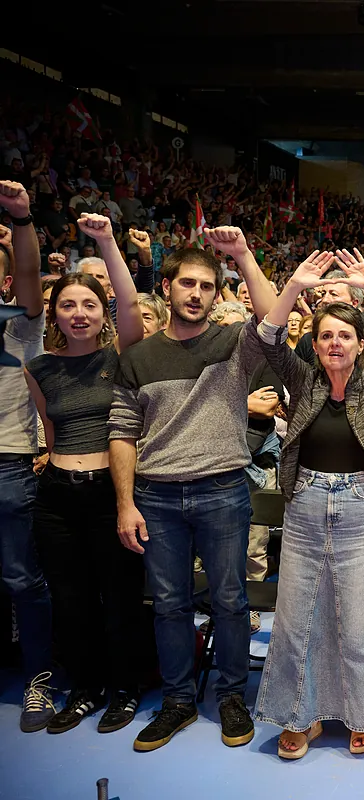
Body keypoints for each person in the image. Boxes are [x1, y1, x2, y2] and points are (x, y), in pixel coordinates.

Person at [109, 225, 277, 752]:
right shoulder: (137, 356)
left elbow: (272, 317)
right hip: (156, 496)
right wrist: (125, 502)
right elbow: (121, 431)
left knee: (229, 601)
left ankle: (231, 697)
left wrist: (244, 255)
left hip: (223, 488)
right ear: (167, 288)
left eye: (207, 286)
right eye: (188, 284)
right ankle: (178, 702)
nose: (197, 294)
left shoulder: (233, 345)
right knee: (169, 604)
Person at [253, 248, 364, 758]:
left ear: (360, 344)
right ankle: (301, 715)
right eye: (326, 336)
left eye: (346, 335)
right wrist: (295, 287)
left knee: (362, 619)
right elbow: (268, 338)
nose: (336, 343)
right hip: (305, 506)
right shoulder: (301, 381)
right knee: (297, 616)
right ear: (315, 345)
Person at [24, 214, 146, 734]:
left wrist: (106, 242)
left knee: (118, 598)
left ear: (104, 315)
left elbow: (133, 304)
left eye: (89, 305)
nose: (79, 314)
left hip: (109, 495)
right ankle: (84, 689)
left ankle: (125, 690)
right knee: (70, 601)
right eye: (68, 305)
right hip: (56, 498)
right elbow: (50, 433)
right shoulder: (40, 367)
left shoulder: (121, 356)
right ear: (55, 313)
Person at [0, 181, 56, 732]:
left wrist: (21, 219)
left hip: (10, 463)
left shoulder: (20, 323)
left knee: (22, 578)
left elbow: (34, 277)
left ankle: (40, 678)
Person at [293, 271, 364, 367]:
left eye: (333, 294)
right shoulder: (308, 340)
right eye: (323, 293)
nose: (325, 300)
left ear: (354, 303)